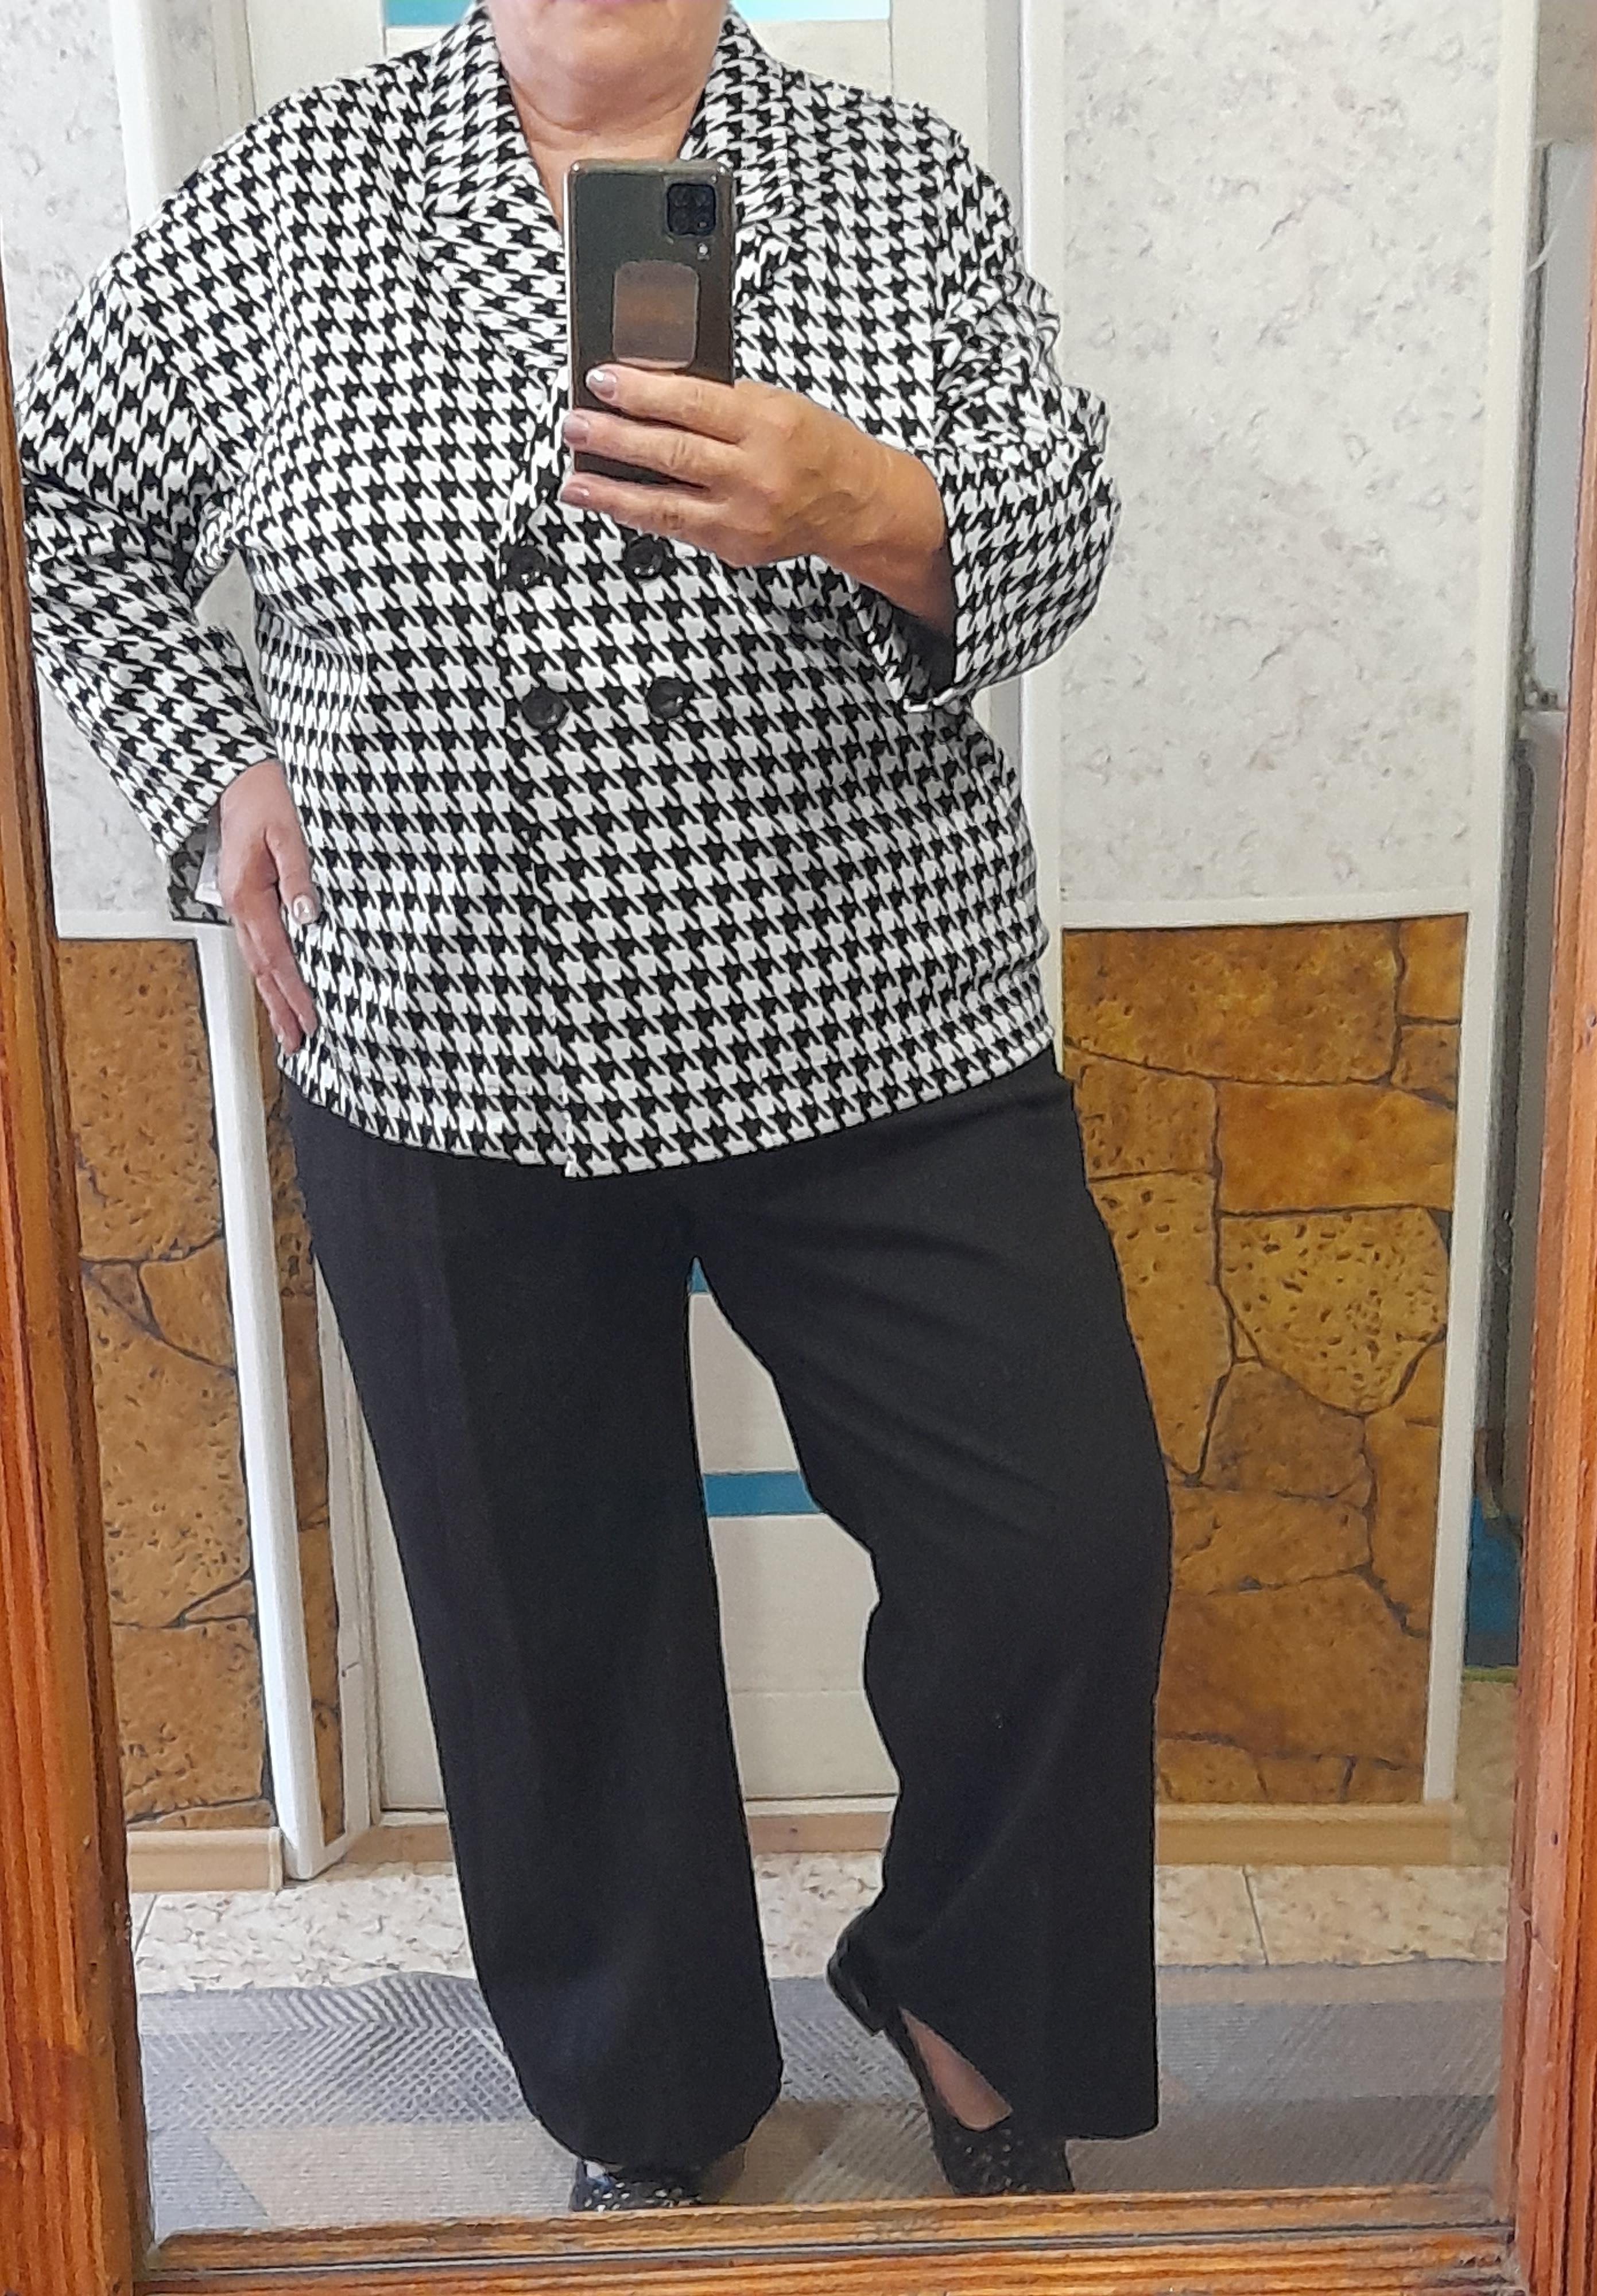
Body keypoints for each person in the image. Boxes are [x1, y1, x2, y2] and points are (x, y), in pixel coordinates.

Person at [18, 0, 1173, 2212]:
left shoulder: (892, 178)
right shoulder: (291, 193)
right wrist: (210, 769)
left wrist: (872, 504)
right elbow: (63, 498)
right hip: (447, 1022)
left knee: (1058, 1547)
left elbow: (1066, 522)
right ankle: (647, 2100)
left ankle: (973, 1996)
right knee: (542, 1614)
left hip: (875, 1011)